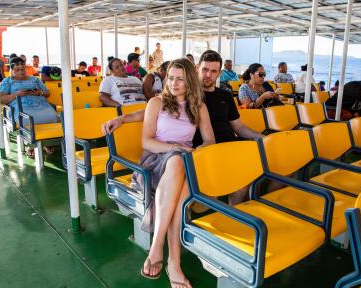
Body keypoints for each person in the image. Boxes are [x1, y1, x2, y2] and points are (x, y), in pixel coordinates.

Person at [103, 50, 263, 204]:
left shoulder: (225, 95)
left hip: (224, 148)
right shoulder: (186, 93)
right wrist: (123, 118)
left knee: (245, 179)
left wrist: (261, 138)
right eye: (205, 69)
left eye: (213, 71)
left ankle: (230, 217)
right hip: (197, 153)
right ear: (196, 69)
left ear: (219, 73)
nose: (208, 74)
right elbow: (154, 110)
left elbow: (239, 126)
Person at [135, 58, 214, 288]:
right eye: (170, 78)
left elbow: (210, 140)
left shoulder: (198, 106)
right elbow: (146, 142)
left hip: (183, 162)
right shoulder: (156, 103)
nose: (174, 83)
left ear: (190, 81)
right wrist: (175, 148)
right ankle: (169, 258)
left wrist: (199, 150)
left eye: (180, 79)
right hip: (155, 160)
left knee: (180, 186)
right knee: (179, 162)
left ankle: (164, 253)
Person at [0, 57, 58, 156]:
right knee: (27, 119)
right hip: (21, 107)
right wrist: (16, 94)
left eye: (23, 69)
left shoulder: (35, 79)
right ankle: (31, 144)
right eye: (18, 70)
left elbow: (47, 93)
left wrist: (40, 92)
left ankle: (47, 140)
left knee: (53, 116)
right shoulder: (7, 81)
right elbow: (1, 99)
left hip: (40, 104)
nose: (21, 72)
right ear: (12, 70)